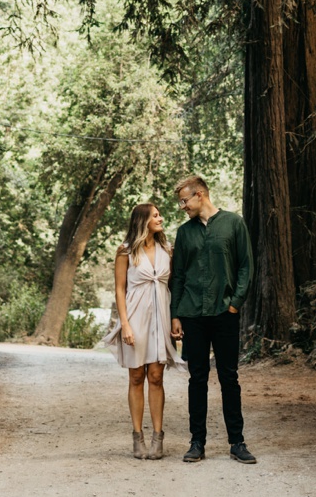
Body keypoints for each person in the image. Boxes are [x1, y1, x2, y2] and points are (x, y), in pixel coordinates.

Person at [168, 173, 256, 464]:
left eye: (184, 200)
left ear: (200, 195)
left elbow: (245, 265)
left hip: (224, 313)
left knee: (229, 377)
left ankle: (237, 442)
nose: (182, 206)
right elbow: (178, 275)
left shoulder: (234, 223)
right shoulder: (184, 233)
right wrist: (176, 315)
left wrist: (235, 304)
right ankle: (197, 442)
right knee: (198, 379)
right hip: (192, 314)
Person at [103, 203, 176, 460]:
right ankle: (138, 436)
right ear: (143, 220)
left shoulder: (167, 249)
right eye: (156, 215)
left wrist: (177, 321)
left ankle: (158, 436)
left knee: (156, 377)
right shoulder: (125, 251)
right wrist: (125, 324)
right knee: (136, 377)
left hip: (161, 317)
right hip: (135, 317)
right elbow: (119, 290)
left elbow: (175, 287)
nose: (161, 218)